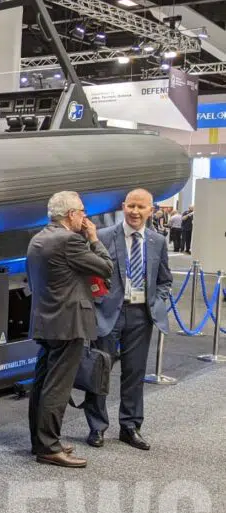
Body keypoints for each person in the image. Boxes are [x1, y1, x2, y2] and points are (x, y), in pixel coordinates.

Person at [27, 191, 113, 468]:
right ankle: (49, 448)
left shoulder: (38, 238)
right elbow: (106, 267)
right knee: (57, 388)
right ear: (71, 214)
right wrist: (94, 238)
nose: (85, 217)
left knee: (42, 384)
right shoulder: (70, 241)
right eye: (82, 212)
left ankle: (40, 441)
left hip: (46, 322)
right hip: (68, 323)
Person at [84, 189, 172, 451]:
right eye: (131, 205)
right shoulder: (102, 236)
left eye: (141, 207)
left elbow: (164, 279)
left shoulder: (157, 241)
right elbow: (88, 275)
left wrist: (156, 301)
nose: (135, 211)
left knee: (135, 372)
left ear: (151, 210)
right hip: (107, 313)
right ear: (123, 206)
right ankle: (97, 427)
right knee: (99, 370)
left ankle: (130, 426)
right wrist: (96, 302)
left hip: (140, 315)